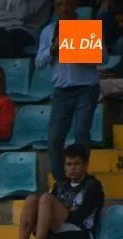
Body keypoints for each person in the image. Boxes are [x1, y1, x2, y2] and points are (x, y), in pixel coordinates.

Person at [0, 144, 105, 239]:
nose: (72, 168)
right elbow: (49, 209)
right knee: (32, 199)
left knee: (46, 198)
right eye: (69, 164)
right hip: (55, 231)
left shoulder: (93, 186)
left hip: (80, 231)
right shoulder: (61, 185)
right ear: (64, 167)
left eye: (77, 164)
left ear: (86, 165)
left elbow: (79, 216)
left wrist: (59, 210)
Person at [37, 0, 104, 180]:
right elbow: (39, 62)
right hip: (62, 89)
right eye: (59, 5)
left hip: (86, 86)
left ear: (76, 5)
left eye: (68, 4)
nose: (64, 8)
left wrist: (85, 53)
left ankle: (81, 178)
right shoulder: (49, 31)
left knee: (81, 131)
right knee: (55, 138)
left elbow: (103, 57)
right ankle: (61, 183)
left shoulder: (86, 28)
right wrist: (53, 49)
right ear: (55, 7)